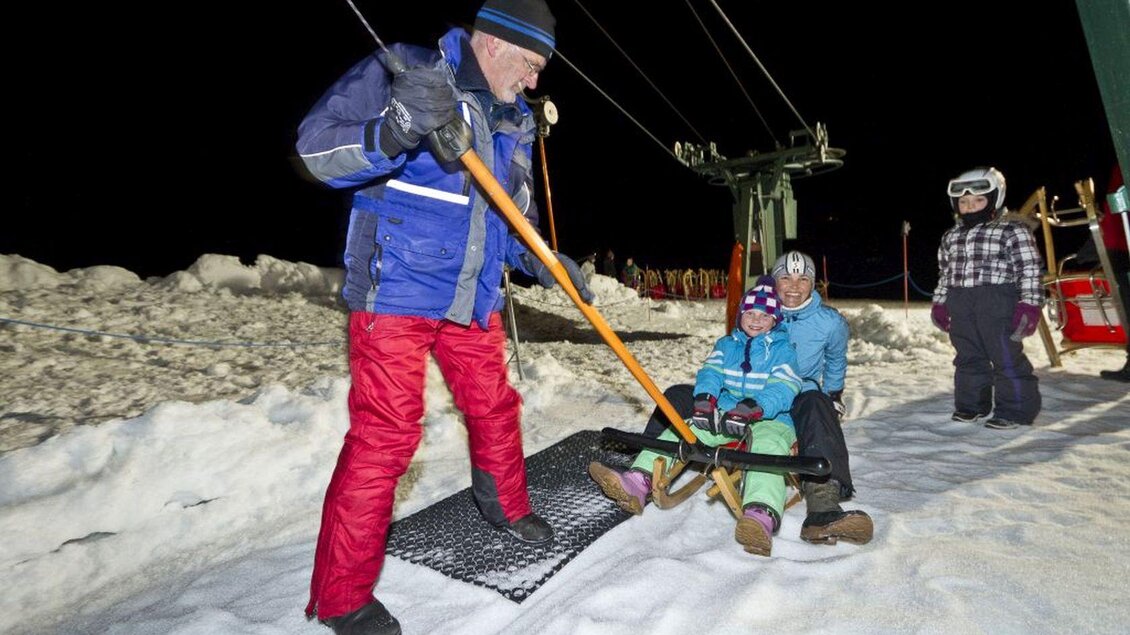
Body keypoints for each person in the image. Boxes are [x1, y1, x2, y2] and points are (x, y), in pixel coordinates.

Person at [295, 1, 594, 632]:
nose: (536, 81)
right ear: (494, 43)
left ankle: (506, 507)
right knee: (387, 436)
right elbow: (315, 149)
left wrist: (546, 261)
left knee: (495, 404)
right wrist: (391, 132)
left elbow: (512, 220)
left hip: (470, 297)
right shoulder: (407, 71)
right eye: (532, 63)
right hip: (396, 288)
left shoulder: (515, 121)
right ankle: (342, 598)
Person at [589, 276, 802, 556]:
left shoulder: (783, 350)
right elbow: (711, 373)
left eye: (764, 315)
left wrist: (754, 407)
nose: (756, 320)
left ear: (775, 319)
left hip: (770, 418)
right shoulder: (727, 345)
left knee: (767, 449)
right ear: (741, 315)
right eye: (750, 313)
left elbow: (785, 386)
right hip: (726, 414)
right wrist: (704, 401)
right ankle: (637, 481)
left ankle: (760, 516)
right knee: (683, 430)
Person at [930, 166, 1044, 429]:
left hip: (997, 303)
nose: (970, 207)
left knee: (1005, 356)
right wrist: (940, 302)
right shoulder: (951, 236)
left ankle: (1015, 411)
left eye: (978, 200)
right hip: (960, 303)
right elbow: (945, 272)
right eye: (964, 202)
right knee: (968, 355)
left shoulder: (1011, 230)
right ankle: (972, 406)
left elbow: (1028, 269)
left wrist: (1029, 304)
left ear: (995, 199)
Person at [772, 250, 872, 545]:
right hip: (761, 392)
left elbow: (835, 360)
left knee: (818, 405)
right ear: (774, 280)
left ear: (813, 283)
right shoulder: (758, 312)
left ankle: (822, 509)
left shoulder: (829, 322)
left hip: (802, 392)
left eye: (803, 278)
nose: (793, 285)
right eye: (785, 277)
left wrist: (833, 394)